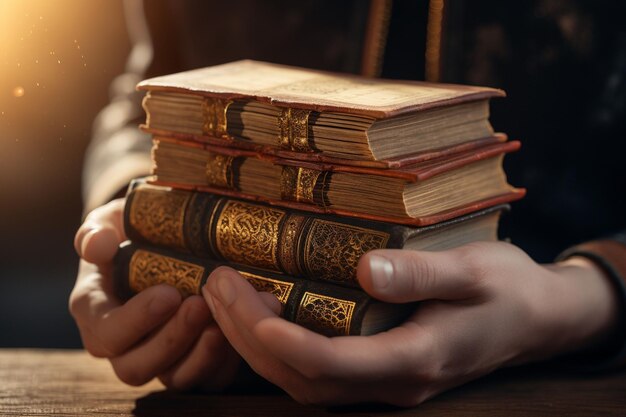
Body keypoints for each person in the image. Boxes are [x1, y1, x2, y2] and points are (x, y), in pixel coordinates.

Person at [70, 0, 626, 406]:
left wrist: (584, 297)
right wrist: (135, 219)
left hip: (569, 386)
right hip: (228, 388)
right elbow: (151, 91)